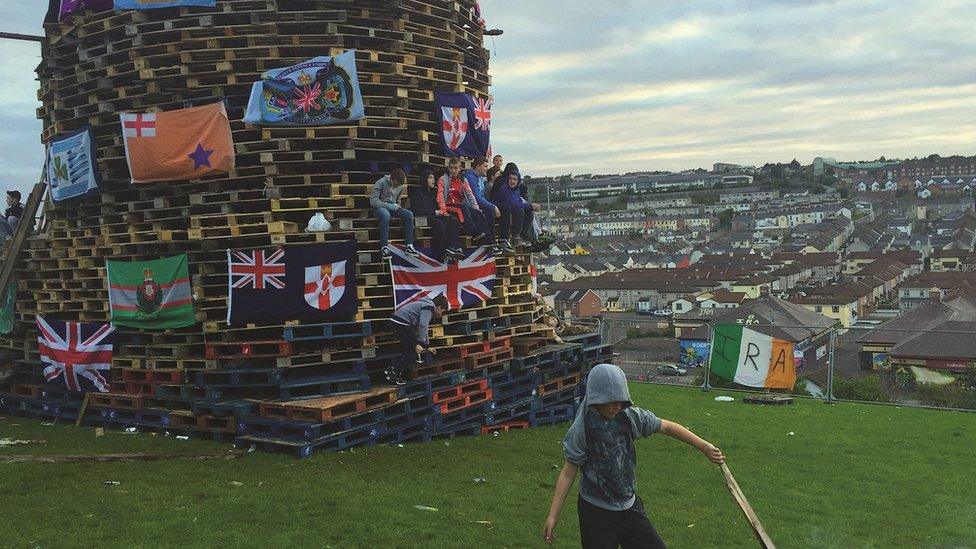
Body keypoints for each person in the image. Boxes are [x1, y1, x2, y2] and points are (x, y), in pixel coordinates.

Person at [543, 363, 725, 548]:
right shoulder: (581, 429)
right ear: (596, 398)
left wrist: (703, 446)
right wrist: (553, 516)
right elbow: (567, 474)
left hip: (629, 507)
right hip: (596, 513)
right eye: (611, 402)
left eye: (620, 401)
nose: (617, 407)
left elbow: (667, 426)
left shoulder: (628, 417)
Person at [437, 158, 501, 256]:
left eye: (455, 168)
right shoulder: (443, 179)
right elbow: (440, 196)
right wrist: (443, 211)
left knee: (478, 213)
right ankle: (474, 233)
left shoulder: (463, 180)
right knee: (462, 208)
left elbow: (470, 195)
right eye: (451, 168)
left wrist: (476, 209)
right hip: (448, 205)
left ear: (459, 169)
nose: (453, 170)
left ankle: (490, 243)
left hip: (461, 206)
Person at [384, 295, 449, 385]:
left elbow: (422, 328)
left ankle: (395, 371)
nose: (440, 315)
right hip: (401, 323)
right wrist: (420, 343)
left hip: (400, 322)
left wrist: (426, 346)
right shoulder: (429, 307)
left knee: (411, 349)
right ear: (439, 307)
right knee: (412, 351)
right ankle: (393, 372)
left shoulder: (426, 305)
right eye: (442, 312)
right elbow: (423, 326)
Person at [410, 170, 464, 261]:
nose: (433, 180)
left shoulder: (433, 193)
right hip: (425, 218)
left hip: (436, 215)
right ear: (424, 179)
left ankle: (454, 247)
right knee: (438, 224)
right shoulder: (417, 194)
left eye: (433, 178)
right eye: (430, 178)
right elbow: (416, 210)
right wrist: (434, 212)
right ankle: (443, 251)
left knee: (453, 220)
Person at [371, 169, 419, 259]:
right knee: (386, 215)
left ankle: (409, 245)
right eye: (396, 184)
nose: (397, 186)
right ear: (391, 179)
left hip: (393, 206)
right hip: (380, 207)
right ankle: (384, 247)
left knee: (409, 214)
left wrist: (398, 206)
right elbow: (373, 201)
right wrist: (390, 206)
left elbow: (398, 199)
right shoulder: (381, 182)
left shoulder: (400, 185)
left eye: (399, 185)